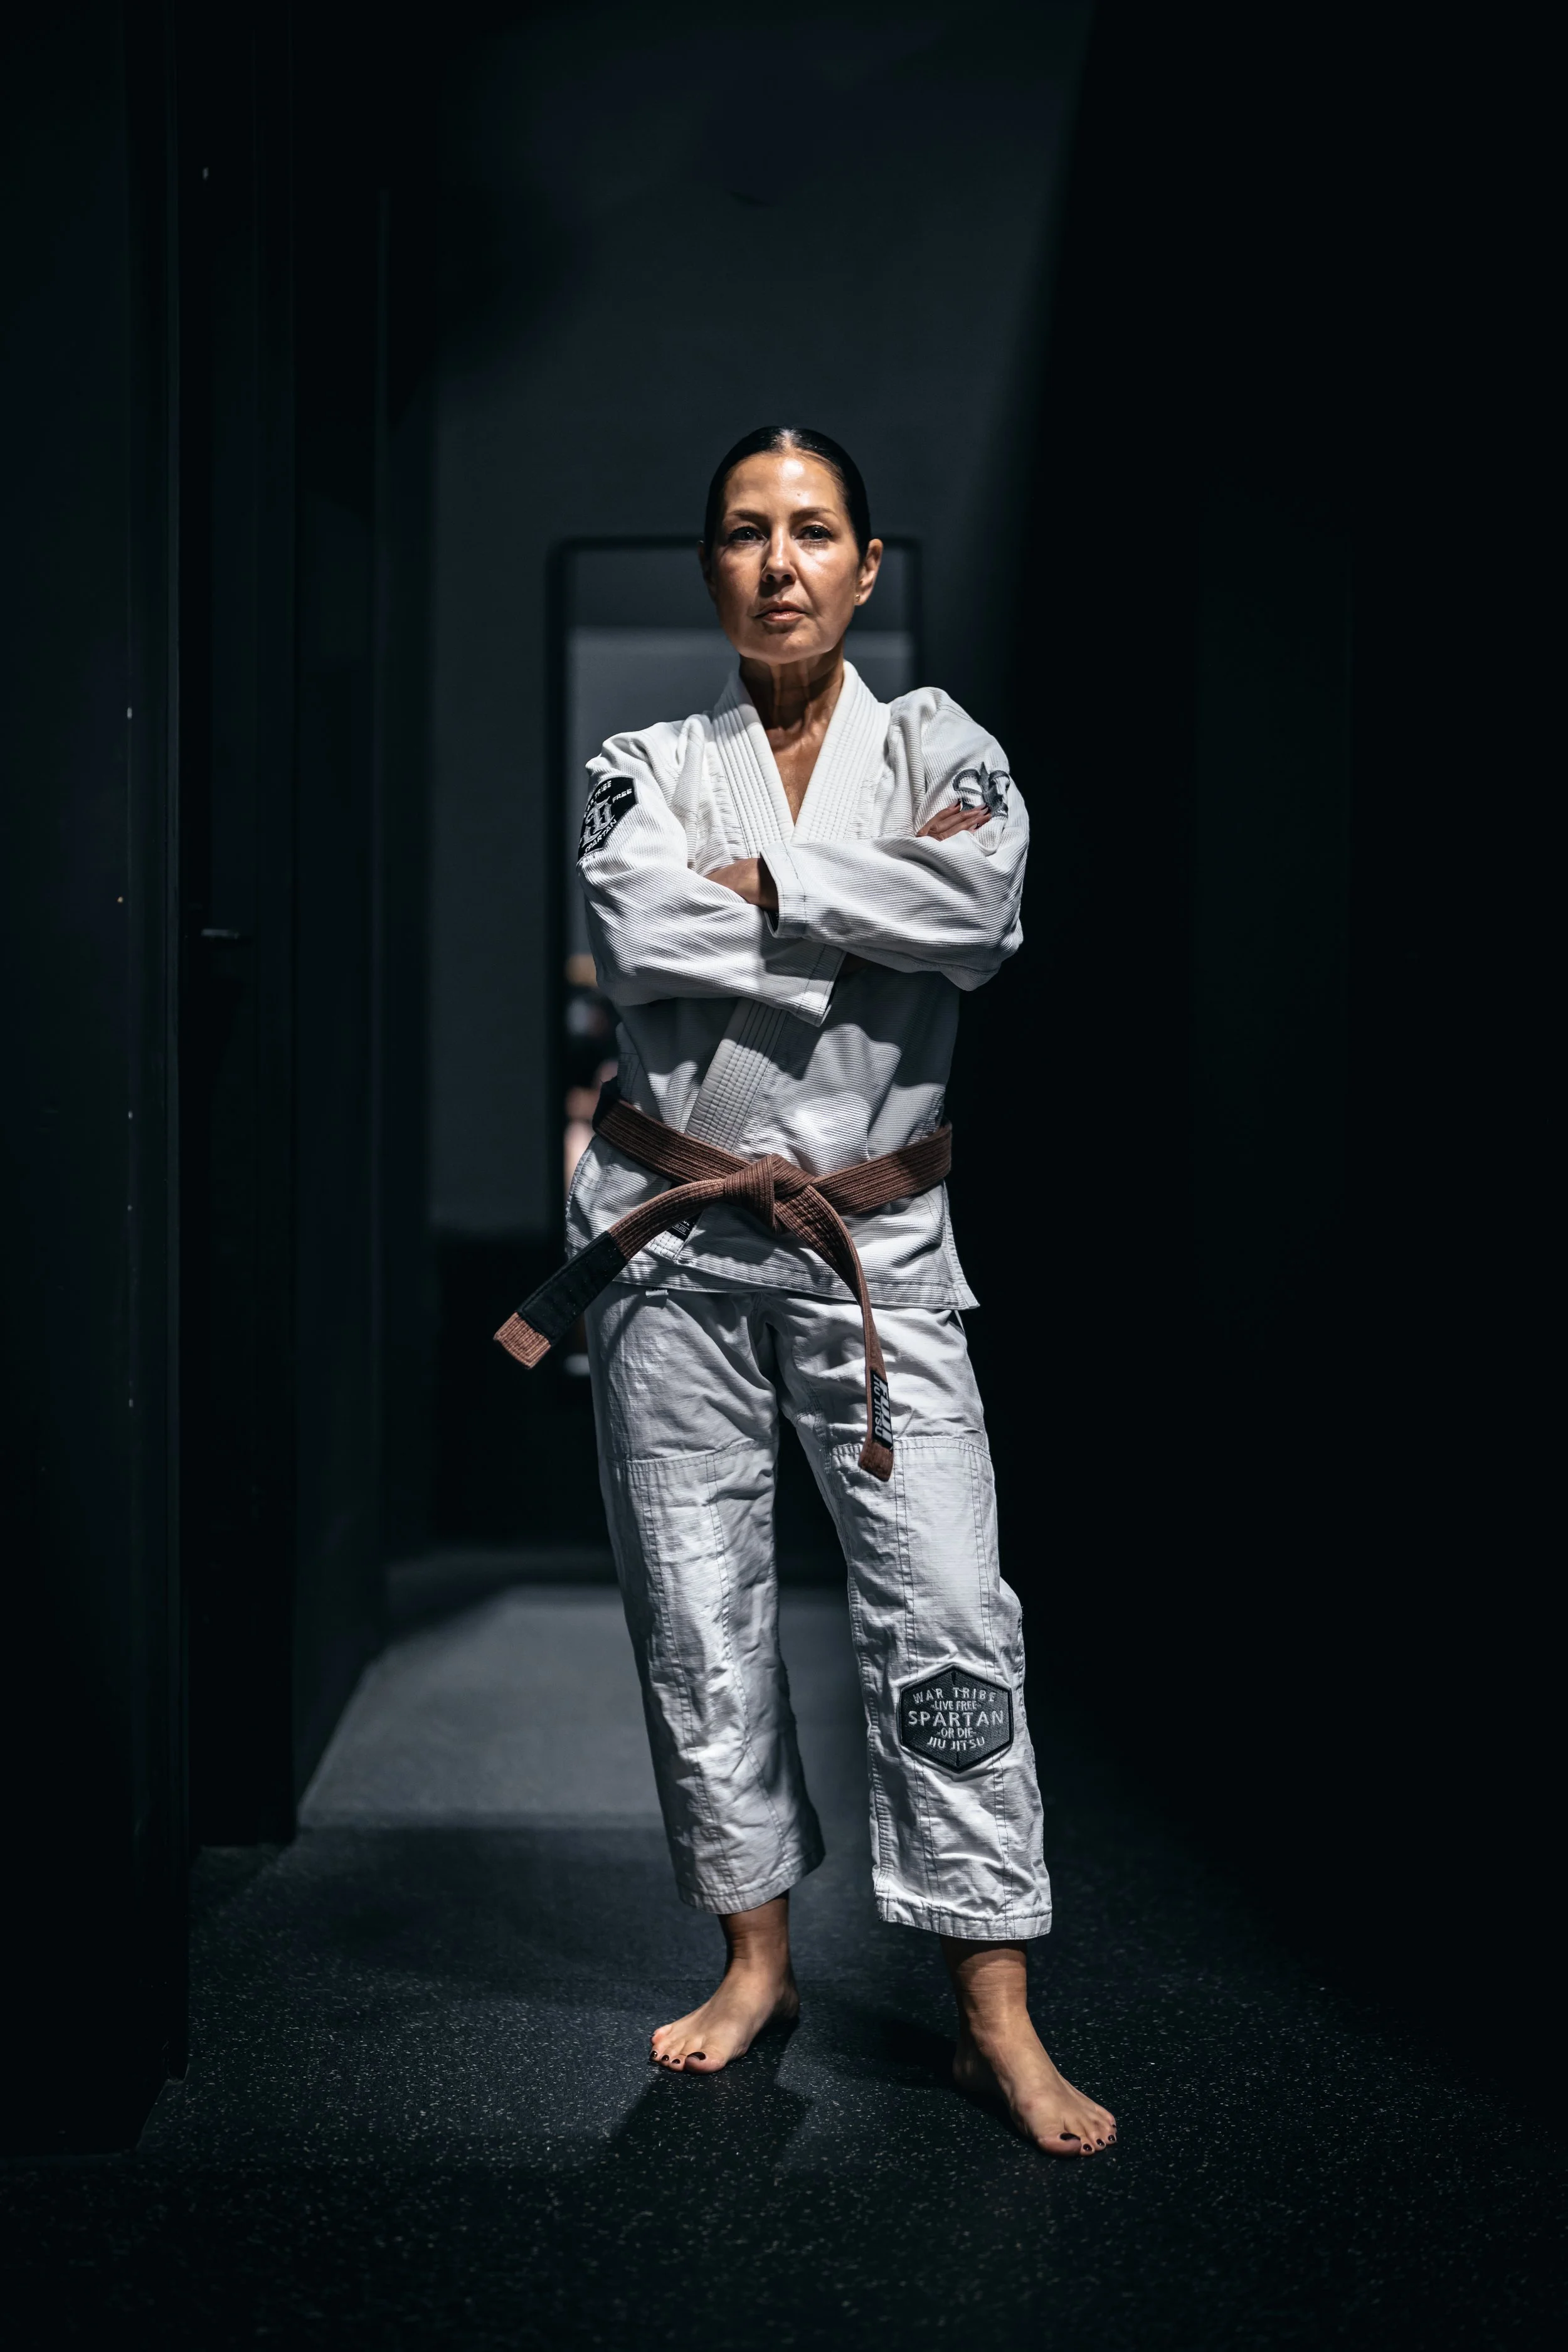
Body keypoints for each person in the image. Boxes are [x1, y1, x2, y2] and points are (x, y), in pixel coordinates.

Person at [560, 426, 1115, 2156]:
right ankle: (753, 1958)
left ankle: (993, 2005)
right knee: (695, 1601)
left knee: (949, 1607)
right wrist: (867, 919)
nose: (780, 560)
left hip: (876, 1237)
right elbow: (638, 929)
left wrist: (776, 885)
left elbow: (982, 908)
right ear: (712, 566)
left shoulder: (943, 745)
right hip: (672, 1234)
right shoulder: (639, 759)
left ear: (867, 567)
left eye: (814, 532)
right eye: (744, 532)